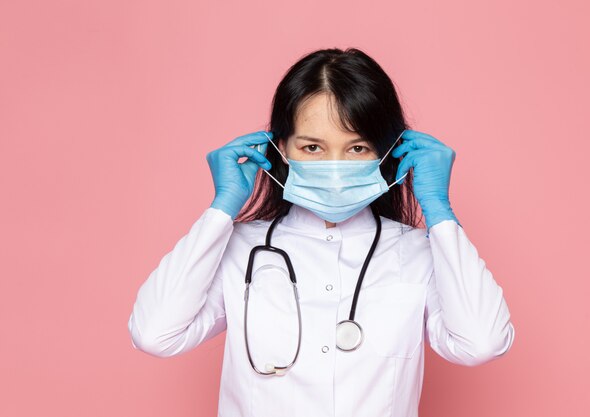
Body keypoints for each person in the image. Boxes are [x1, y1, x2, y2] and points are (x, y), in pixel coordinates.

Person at [128, 47, 515, 417]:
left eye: (358, 148)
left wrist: (439, 213)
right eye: (313, 147)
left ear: (389, 153)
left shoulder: (418, 252)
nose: (334, 166)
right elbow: (156, 334)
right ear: (279, 149)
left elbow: (481, 344)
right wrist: (222, 209)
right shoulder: (240, 248)